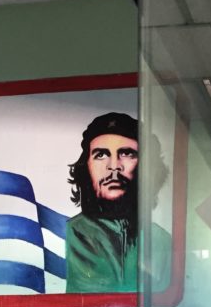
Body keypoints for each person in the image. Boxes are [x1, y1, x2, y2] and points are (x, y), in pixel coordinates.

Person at [64, 112, 171, 293]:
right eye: (101, 155)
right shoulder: (73, 233)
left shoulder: (161, 240)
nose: (114, 166)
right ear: (86, 166)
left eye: (127, 153)